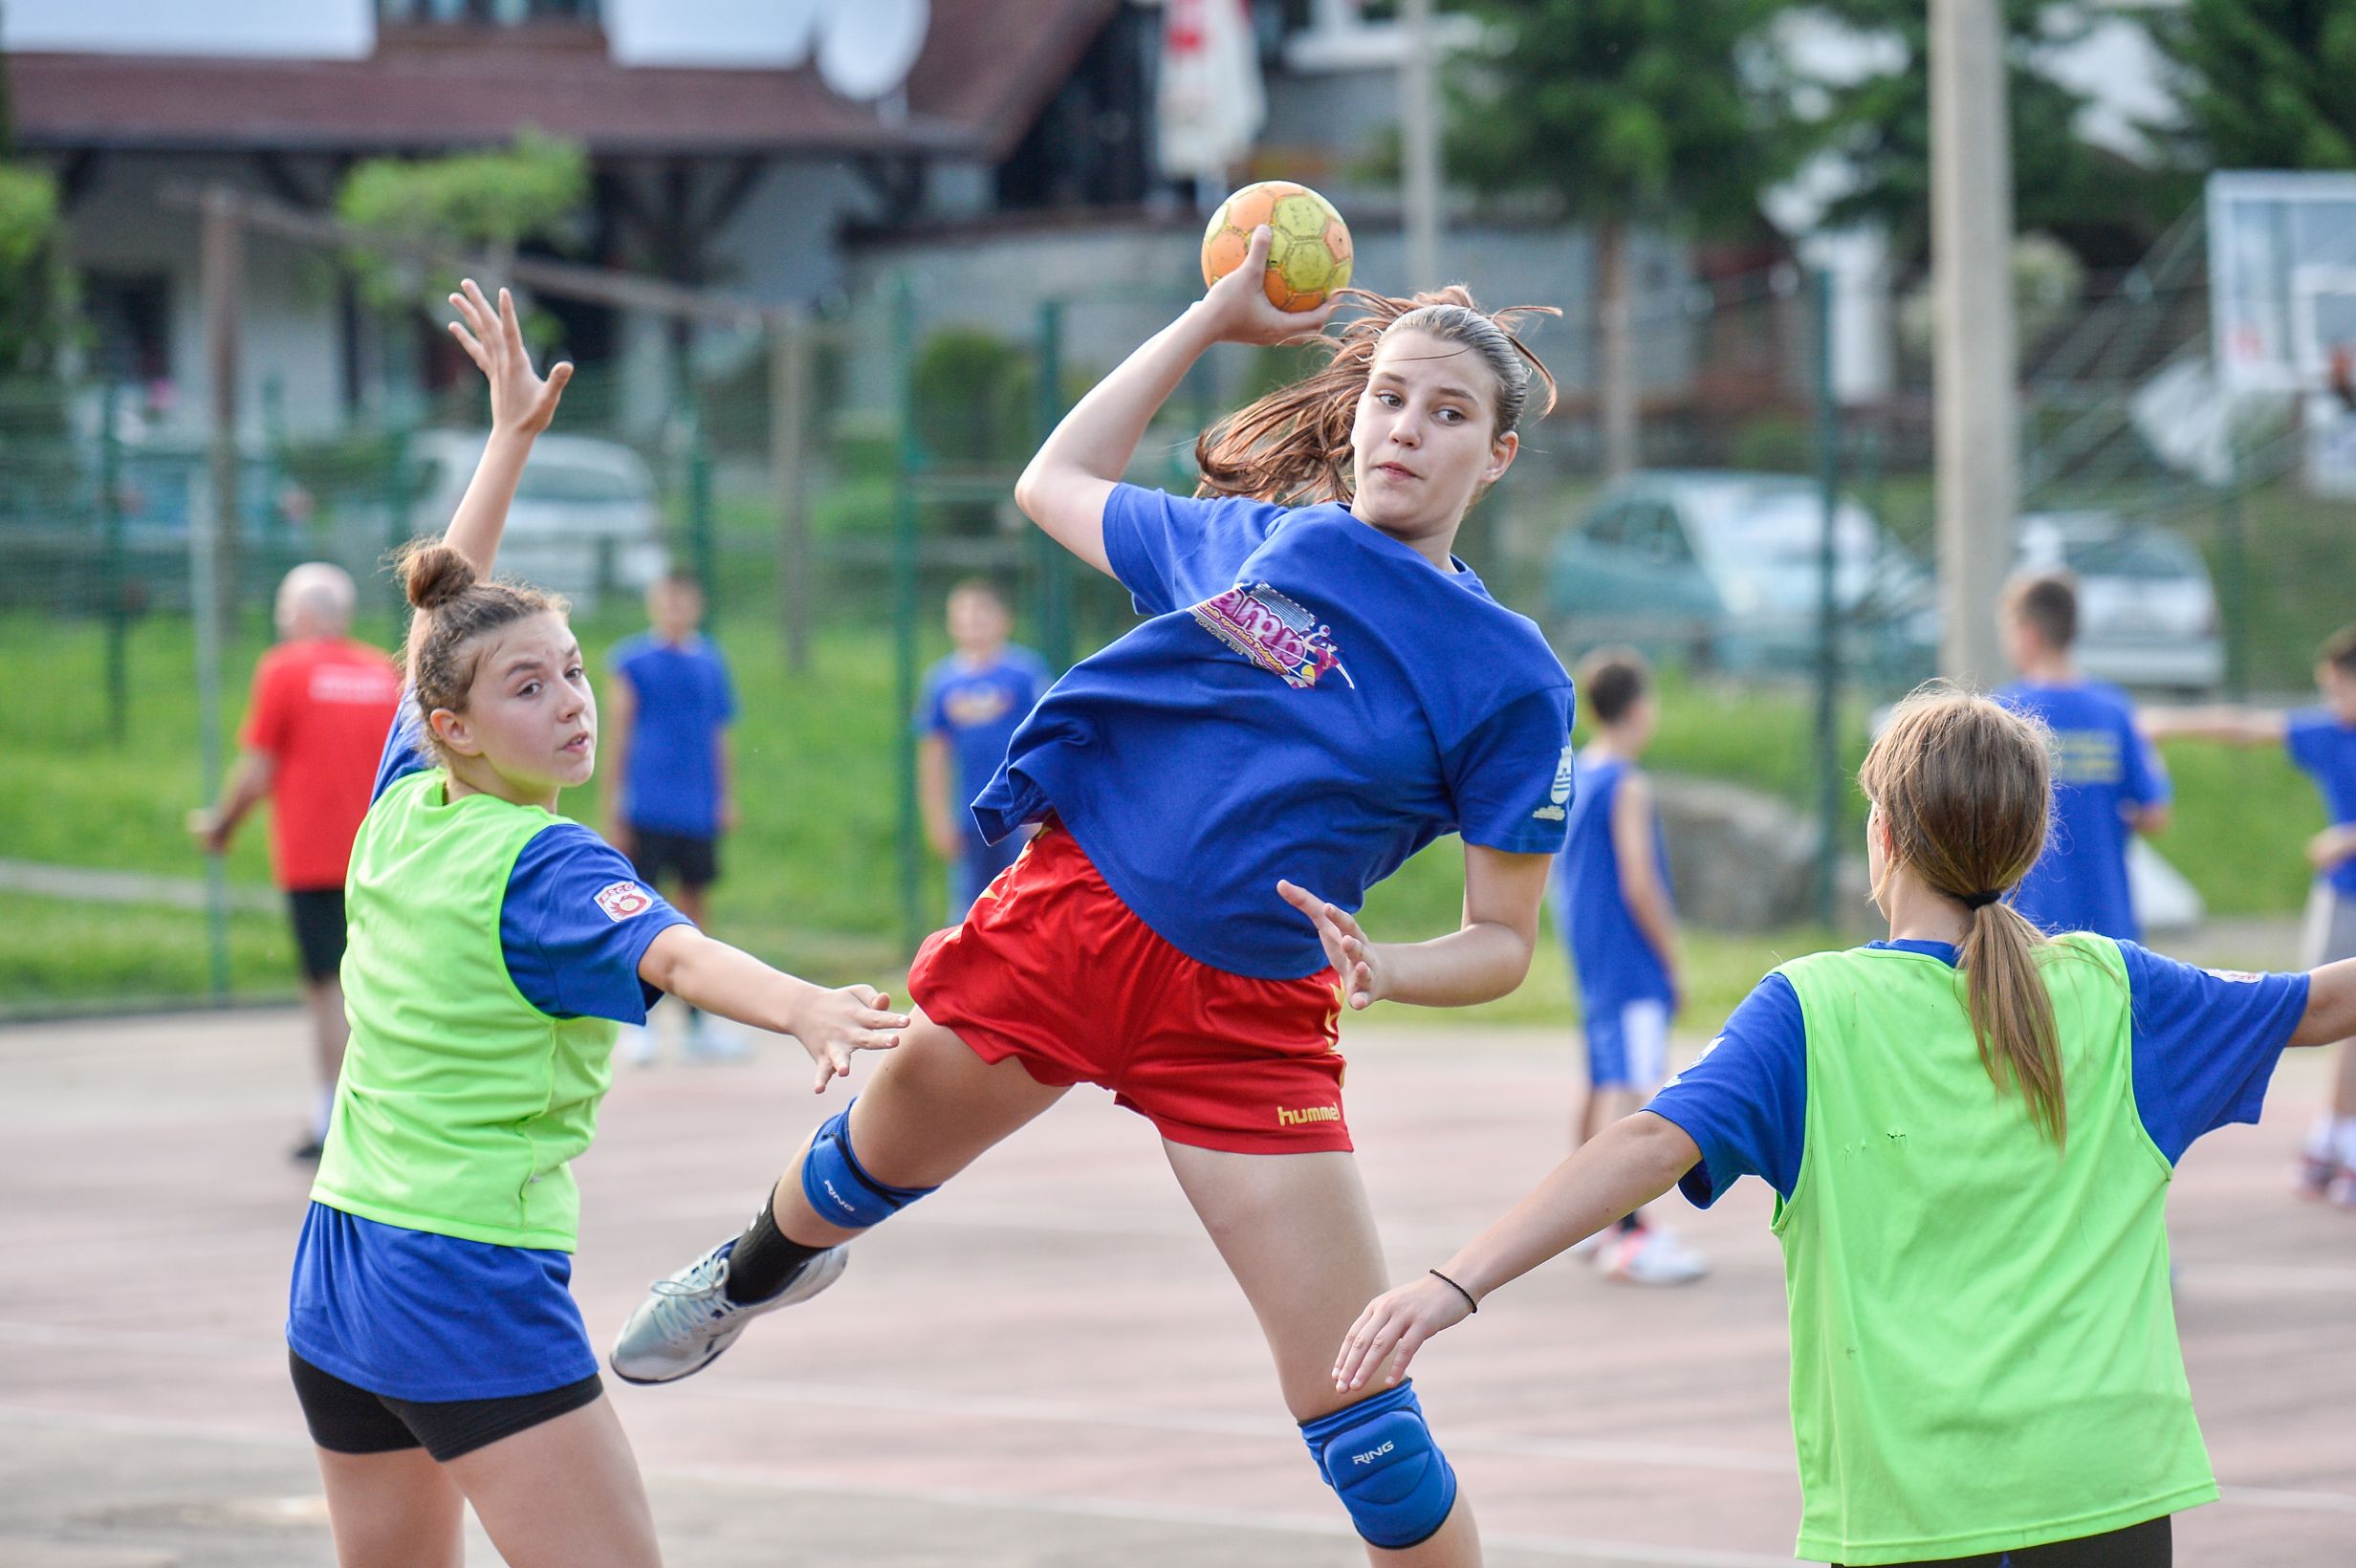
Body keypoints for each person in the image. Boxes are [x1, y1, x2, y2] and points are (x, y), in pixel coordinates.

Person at [610, 234, 1575, 1566]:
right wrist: (1208, 317)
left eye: (1448, 412)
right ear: (1355, 416)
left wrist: (1395, 967)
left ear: (1497, 456)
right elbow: (1051, 480)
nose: (1407, 427)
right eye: (1389, 396)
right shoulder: (1255, 543)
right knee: (848, 1182)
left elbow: (1504, 942)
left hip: (1249, 1016)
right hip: (1068, 928)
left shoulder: (1513, 679)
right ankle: (750, 1273)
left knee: (1372, 1432)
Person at [1336, 687, 2356, 1568]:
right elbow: (2318, 1003)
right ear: (2025, 842)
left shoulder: (1812, 1010)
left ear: (1886, 836)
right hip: (2111, 1484)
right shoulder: (2115, 990)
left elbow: (1646, 1144)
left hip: (1921, 1500)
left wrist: (1453, 1282)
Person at [286, 280, 906, 1568]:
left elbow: (436, 629)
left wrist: (508, 439)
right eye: (528, 687)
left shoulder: (404, 801)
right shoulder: (543, 860)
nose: (570, 701)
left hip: (339, 1266)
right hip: (462, 1276)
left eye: (571, 670)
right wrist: (801, 1003)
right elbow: (674, 950)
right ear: (456, 726)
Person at [190, 561, 402, 1161]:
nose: (282, 623)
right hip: (383, 855)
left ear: (305, 614)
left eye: (285, 611)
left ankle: (334, 1120)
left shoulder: (284, 669)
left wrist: (222, 825)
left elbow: (259, 767)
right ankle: (391, 1114)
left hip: (314, 860)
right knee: (384, 986)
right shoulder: (383, 673)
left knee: (328, 990)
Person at [2143, 621, 2356, 1204]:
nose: (2331, 700)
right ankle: (2333, 1143)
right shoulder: (2329, 732)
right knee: (2335, 1014)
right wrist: (2171, 723)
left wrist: (2348, 837)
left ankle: (2333, 1141)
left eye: (2338, 688)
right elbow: (2247, 728)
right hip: (2343, 897)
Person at [1554, 647, 1704, 1284]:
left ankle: (1581, 1218)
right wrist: (1673, 961)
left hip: (1592, 962)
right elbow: (1640, 884)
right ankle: (1629, 1231)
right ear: (1638, 708)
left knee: (1600, 1082)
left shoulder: (1575, 775)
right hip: (1631, 963)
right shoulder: (1628, 784)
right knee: (1632, 1094)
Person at [605, 572, 740, 1063]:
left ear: (697, 605)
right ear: (654, 604)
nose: (675, 609)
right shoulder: (632, 661)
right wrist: (615, 804)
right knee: (641, 911)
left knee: (695, 908)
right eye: (667, 600)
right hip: (648, 805)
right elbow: (618, 736)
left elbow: (720, 734)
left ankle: (697, 1021)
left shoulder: (711, 662)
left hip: (696, 807)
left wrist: (724, 797)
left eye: (684, 600)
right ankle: (637, 1022)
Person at [1994, 572, 2171, 941]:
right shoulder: (2114, 710)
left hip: (2027, 924)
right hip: (2106, 925)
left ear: (2028, 632)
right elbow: (2153, 813)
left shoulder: (2004, 711)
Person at [917, 578, 1051, 921]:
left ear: (1004, 619)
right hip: (968, 814)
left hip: (1017, 812)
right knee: (970, 906)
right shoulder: (942, 682)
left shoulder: (1026, 674)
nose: (972, 621)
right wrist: (937, 817)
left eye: (981, 612)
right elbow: (934, 754)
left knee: (1020, 901)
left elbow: (1045, 742)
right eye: (963, 614)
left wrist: (1040, 811)